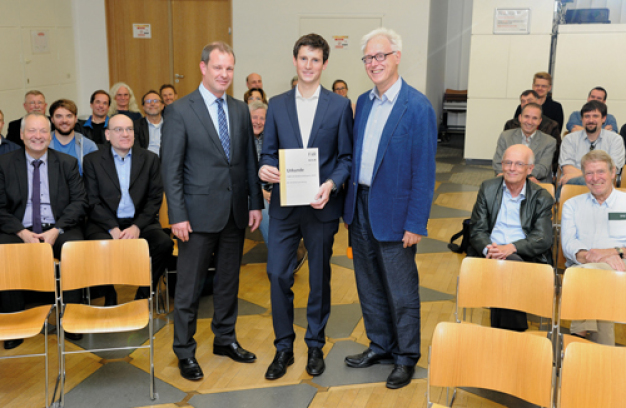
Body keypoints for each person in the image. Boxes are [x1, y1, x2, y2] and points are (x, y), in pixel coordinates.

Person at [161, 41, 263, 381]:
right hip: (195, 216)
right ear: (203, 67)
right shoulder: (179, 111)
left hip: (235, 213)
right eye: (218, 67)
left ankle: (225, 339)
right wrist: (176, 215)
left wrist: (254, 204)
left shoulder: (238, 109)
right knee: (189, 289)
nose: (224, 74)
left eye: (229, 69)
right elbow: (170, 169)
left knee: (228, 283)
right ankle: (184, 351)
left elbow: (248, 161)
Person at [342, 28, 436, 390]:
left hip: (397, 215)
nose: (374, 63)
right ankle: (380, 345)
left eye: (381, 56)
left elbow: (424, 172)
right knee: (368, 284)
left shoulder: (417, 107)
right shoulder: (363, 102)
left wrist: (416, 222)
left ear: (397, 57)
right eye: (368, 58)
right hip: (360, 206)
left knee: (401, 290)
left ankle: (406, 356)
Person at [259, 33, 352, 380]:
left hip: (321, 205)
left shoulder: (340, 106)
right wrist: (263, 167)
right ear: (295, 61)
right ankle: (283, 346)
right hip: (284, 206)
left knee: (319, 278)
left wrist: (331, 184)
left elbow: (345, 157)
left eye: (316, 60)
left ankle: (314, 344)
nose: (309, 65)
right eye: (303, 59)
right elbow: (268, 151)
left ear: (324, 64)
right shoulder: (278, 104)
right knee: (277, 273)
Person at [0, 113, 88, 349]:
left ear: (49, 136)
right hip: (19, 227)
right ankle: (14, 323)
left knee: (74, 247)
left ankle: (71, 319)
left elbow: (79, 201)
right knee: (4, 250)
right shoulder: (5, 164)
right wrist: (21, 232)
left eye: (42, 131)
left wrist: (57, 229)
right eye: (31, 131)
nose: (37, 136)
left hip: (57, 226)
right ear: (21, 135)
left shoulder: (67, 163)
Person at [83, 114, 173, 301]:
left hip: (139, 221)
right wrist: (112, 228)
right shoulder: (92, 160)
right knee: (97, 247)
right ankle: (110, 295)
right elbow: (92, 200)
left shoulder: (149, 159)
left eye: (129, 129)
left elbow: (154, 198)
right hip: (104, 223)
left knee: (164, 244)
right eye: (119, 130)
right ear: (107, 135)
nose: (125, 134)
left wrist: (137, 226)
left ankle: (143, 295)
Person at [470, 144, 554, 331]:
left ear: (530, 169)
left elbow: (543, 238)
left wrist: (511, 248)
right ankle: (513, 335)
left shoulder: (541, 197)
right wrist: (489, 249)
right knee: (506, 267)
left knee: (509, 265)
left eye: (518, 164)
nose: (511, 168)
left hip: (526, 258)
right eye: (507, 163)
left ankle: (500, 335)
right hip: (488, 255)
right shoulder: (488, 188)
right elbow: (476, 230)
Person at [561, 150, 626, 345]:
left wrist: (613, 253)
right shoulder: (572, 205)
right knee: (594, 278)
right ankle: (605, 357)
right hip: (584, 270)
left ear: (613, 172)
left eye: (600, 172)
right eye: (589, 173)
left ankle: (577, 337)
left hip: (621, 271)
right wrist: (596, 258)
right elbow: (569, 245)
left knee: (589, 277)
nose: (595, 178)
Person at [249, 101, 307, 271]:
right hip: (249, 192)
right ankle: (283, 259)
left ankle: (294, 246)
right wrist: (260, 192)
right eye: (254, 117)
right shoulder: (240, 139)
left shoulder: (271, 138)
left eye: (262, 118)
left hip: (272, 187)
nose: (258, 122)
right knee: (265, 209)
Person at [558, 100, 625, 189]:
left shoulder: (615, 139)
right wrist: (596, 175)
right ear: (582, 119)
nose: (591, 120)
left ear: (603, 118)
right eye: (587, 116)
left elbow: (611, 170)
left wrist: (580, 175)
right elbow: (567, 169)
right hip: (573, 188)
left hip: (602, 187)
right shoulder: (569, 139)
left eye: (595, 116)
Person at [493, 103, 556, 184]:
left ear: (539, 121)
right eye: (526, 117)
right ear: (520, 118)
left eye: (534, 118)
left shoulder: (549, 141)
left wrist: (516, 173)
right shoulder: (506, 136)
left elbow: (543, 169)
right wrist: (516, 174)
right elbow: (497, 163)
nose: (529, 122)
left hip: (535, 182)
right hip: (508, 179)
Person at [48, 99, 98, 175]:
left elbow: (95, 176)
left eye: (69, 116)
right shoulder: (43, 144)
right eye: (59, 116)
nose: (64, 120)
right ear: (52, 119)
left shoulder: (88, 146)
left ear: (75, 119)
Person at [134, 90, 164, 155]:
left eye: (156, 101)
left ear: (162, 106)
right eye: (148, 101)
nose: (152, 104)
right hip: (146, 162)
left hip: (167, 162)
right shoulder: (135, 126)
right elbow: (136, 151)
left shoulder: (171, 125)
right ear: (143, 107)